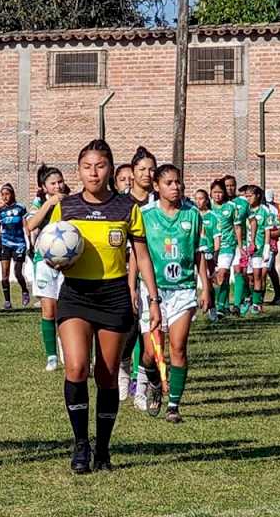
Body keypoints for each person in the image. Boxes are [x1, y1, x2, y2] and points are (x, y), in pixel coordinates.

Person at [58, 139, 161, 473]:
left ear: (113, 170)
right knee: (75, 367)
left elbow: (142, 257)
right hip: (75, 295)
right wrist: (54, 262)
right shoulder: (67, 207)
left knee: (105, 376)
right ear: (78, 170)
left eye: (100, 166)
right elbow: (51, 247)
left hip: (113, 296)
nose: (93, 172)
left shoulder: (126, 208)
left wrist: (153, 299)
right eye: (87, 166)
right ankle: (80, 445)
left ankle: (102, 449)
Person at [137, 165, 211, 423]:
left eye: (178, 182)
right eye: (169, 182)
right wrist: (133, 288)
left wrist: (205, 286)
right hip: (153, 290)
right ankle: (154, 383)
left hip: (183, 289)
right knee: (151, 353)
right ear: (156, 186)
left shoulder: (192, 214)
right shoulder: (144, 215)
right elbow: (139, 254)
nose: (176, 186)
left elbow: (200, 253)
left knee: (178, 347)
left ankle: (173, 406)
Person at [26, 164, 68, 371]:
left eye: (60, 181)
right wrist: (48, 204)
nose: (58, 186)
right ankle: (51, 356)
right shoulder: (39, 205)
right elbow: (30, 225)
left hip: (67, 264)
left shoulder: (70, 202)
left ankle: (66, 345)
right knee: (49, 310)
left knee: (66, 310)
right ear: (44, 187)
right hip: (44, 263)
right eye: (53, 183)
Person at [125, 147, 157, 409]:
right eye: (142, 169)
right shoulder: (122, 203)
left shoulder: (160, 202)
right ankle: (124, 367)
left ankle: (140, 382)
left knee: (146, 329)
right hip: (122, 270)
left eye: (151, 169)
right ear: (132, 173)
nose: (147, 174)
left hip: (152, 274)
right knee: (127, 329)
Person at [0, 184, 30, 309]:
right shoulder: (0, 211)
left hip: (19, 244)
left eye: (7, 194)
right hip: (5, 244)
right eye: (3, 194)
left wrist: (30, 243)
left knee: (17, 272)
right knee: (4, 274)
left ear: (12, 194)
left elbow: (26, 226)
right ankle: (7, 302)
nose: (5, 197)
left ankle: (25, 290)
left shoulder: (20, 208)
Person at [209, 179, 238, 318]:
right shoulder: (209, 208)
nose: (217, 195)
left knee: (222, 273)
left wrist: (241, 244)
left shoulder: (231, 206)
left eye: (220, 192)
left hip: (228, 245)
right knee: (218, 278)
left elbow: (237, 226)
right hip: (213, 247)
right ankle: (224, 304)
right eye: (215, 192)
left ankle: (220, 308)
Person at [223, 176, 251, 314]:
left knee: (239, 270)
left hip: (241, 242)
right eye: (227, 185)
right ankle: (225, 304)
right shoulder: (219, 203)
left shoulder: (243, 203)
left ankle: (237, 304)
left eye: (232, 185)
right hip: (224, 243)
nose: (230, 188)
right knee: (224, 274)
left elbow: (251, 220)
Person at [194, 189, 220, 322]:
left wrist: (215, 254)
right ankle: (190, 311)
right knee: (190, 282)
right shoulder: (192, 214)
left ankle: (213, 309)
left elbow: (216, 237)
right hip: (193, 252)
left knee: (208, 283)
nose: (198, 201)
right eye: (196, 198)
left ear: (206, 200)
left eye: (201, 198)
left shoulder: (212, 216)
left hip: (208, 253)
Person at [246, 186, 272, 315]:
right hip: (246, 248)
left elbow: (268, 230)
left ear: (257, 196)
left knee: (258, 275)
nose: (248, 198)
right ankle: (250, 299)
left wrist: (267, 247)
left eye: (250, 195)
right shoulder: (245, 210)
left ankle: (257, 304)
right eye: (246, 196)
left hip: (259, 248)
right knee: (248, 276)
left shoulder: (264, 211)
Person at [264, 189, 280, 305]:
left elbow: (278, 231)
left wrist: (265, 234)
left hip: (271, 245)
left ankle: (260, 298)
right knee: (269, 270)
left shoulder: (273, 210)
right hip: (257, 245)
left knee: (266, 269)